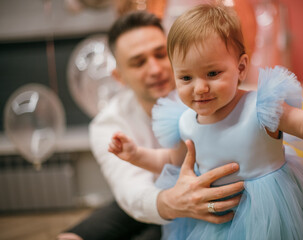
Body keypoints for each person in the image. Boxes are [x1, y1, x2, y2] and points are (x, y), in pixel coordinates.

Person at [108, 4, 303, 239]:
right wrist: (135, 154)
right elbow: (171, 161)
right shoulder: (185, 122)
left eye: (213, 73)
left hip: (273, 214)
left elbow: (302, 123)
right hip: (216, 221)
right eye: (186, 78)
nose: (200, 88)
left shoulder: (261, 106)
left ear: (240, 68)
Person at [57, 10, 244, 240]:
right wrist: (172, 201)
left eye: (160, 54)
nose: (155, 70)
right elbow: (131, 190)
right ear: (119, 76)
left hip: (215, 193)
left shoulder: (205, 95)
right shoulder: (108, 123)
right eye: (139, 62)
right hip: (153, 199)